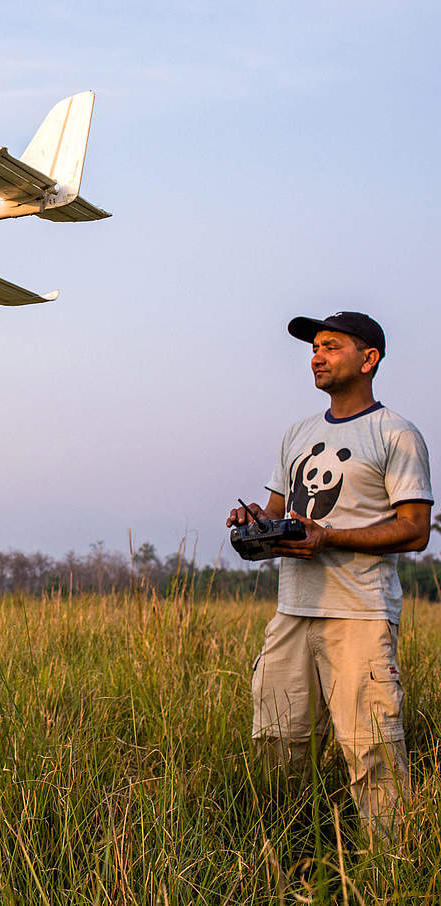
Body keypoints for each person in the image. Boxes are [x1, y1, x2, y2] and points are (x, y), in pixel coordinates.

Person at [227, 311, 432, 844]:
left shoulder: (397, 433)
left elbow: (414, 530)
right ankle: (288, 855)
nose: (316, 356)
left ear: (369, 360)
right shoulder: (298, 433)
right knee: (278, 741)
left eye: (331, 346)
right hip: (293, 610)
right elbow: (279, 515)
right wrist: (254, 523)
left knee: (372, 747)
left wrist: (330, 536)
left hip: (358, 614)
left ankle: (393, 869)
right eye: (314, 347)